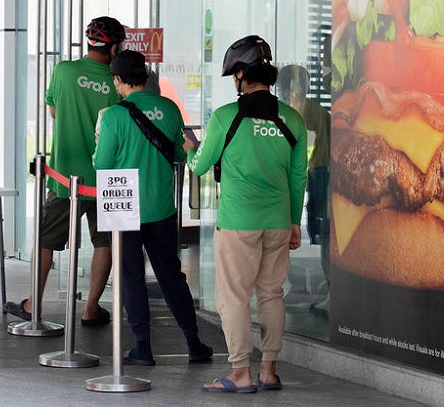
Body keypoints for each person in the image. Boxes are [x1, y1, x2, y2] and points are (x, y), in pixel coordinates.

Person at [187, 35, 307, 393]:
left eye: (234, 75)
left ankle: (240, 372)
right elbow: (297, 175)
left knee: (234, 298)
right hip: (277, 222)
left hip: (238, 223)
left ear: (241, 73)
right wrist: (294, 221)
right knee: (271, 294)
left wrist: (190, 151)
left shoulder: (226, 118)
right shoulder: (293, 120)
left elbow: (199, 165)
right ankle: (268, 370)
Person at [93, 50, 214, 366]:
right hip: (161, 206)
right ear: (145, 76)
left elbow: (103, 164)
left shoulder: (114, 116)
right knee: (171, 275)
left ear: (117, 80)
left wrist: (97, 144)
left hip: (124, 209)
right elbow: (178, 153)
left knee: (131, 276)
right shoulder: (170, 108)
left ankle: (143, 347)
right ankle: (193, 342)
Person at [4, 16, 125, 326]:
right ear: (114, 47)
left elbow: (55, 110)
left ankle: (33, 305)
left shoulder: (64, 71)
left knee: (46, 239)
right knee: (105, 242)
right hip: (107, 178)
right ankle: (91, 309)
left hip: (65, 178)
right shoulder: (117, 81)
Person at [277, 63, 331, 314]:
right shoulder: (319, 111)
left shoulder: (294, 115)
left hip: (309, 175)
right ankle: (321, 284)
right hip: (320, 174)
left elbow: (303, 152)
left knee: (301, 233)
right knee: (320, 234)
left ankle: (301, 288)